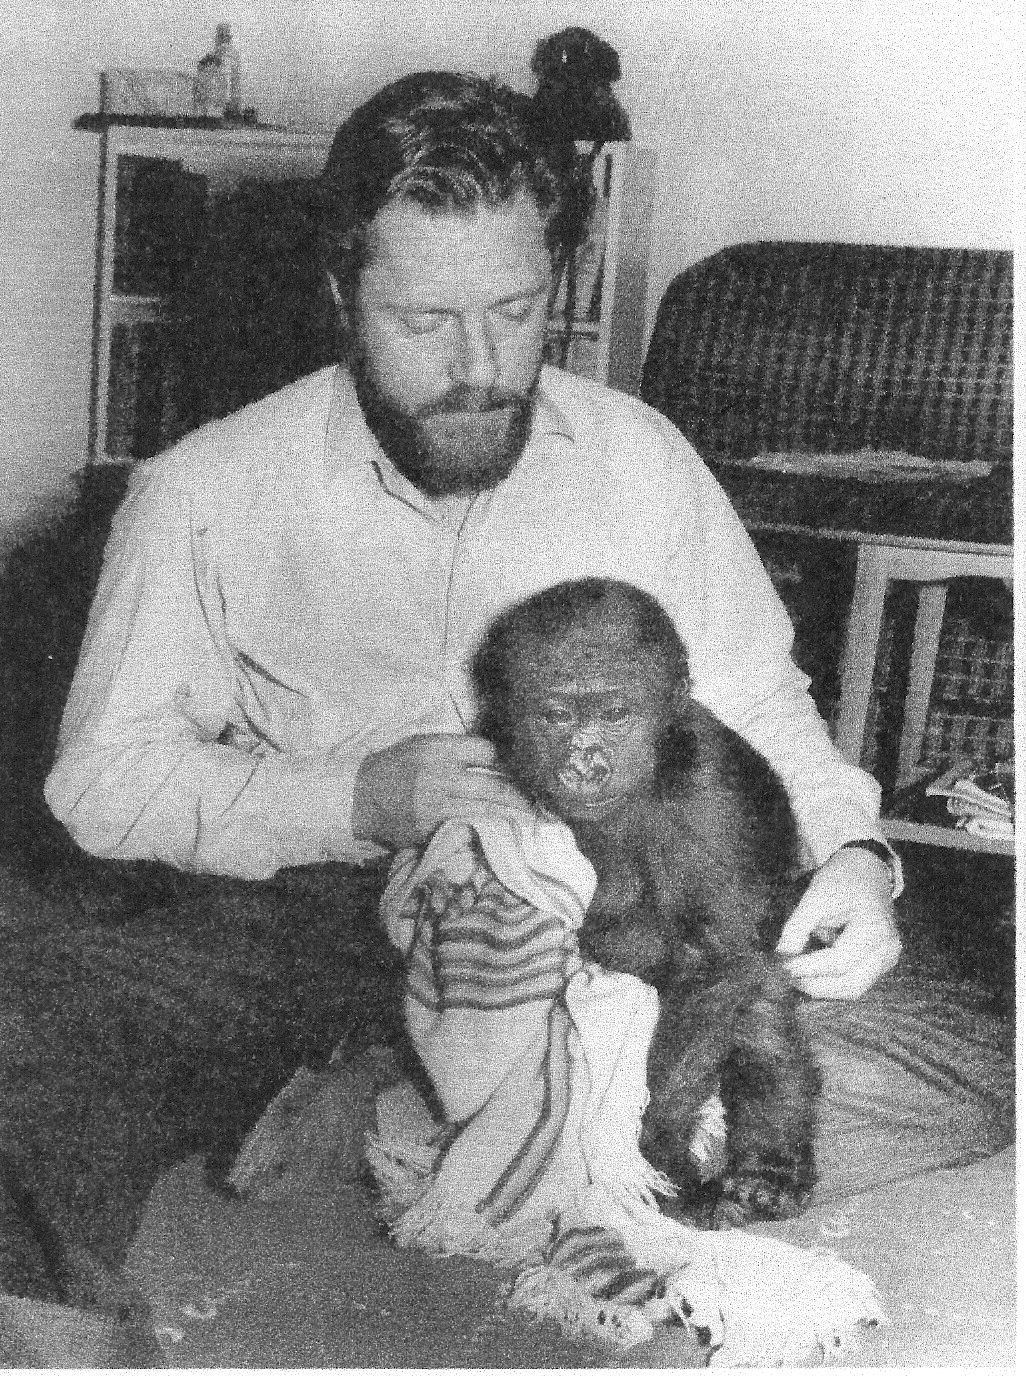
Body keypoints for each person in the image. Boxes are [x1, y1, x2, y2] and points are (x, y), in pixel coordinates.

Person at [45, 74, 1013, 1203]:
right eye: (422, 321)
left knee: (969, 1067)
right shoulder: (199, 492)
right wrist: (350, 796)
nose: (478, 367)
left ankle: (434, 1120)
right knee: (52, 1028)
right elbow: (99, 781)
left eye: (514, 310)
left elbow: (755, 698)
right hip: (318, 916)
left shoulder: (640, 457)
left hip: (623, 912)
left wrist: (856, 852)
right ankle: (528, 1120)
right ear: (339, 294)